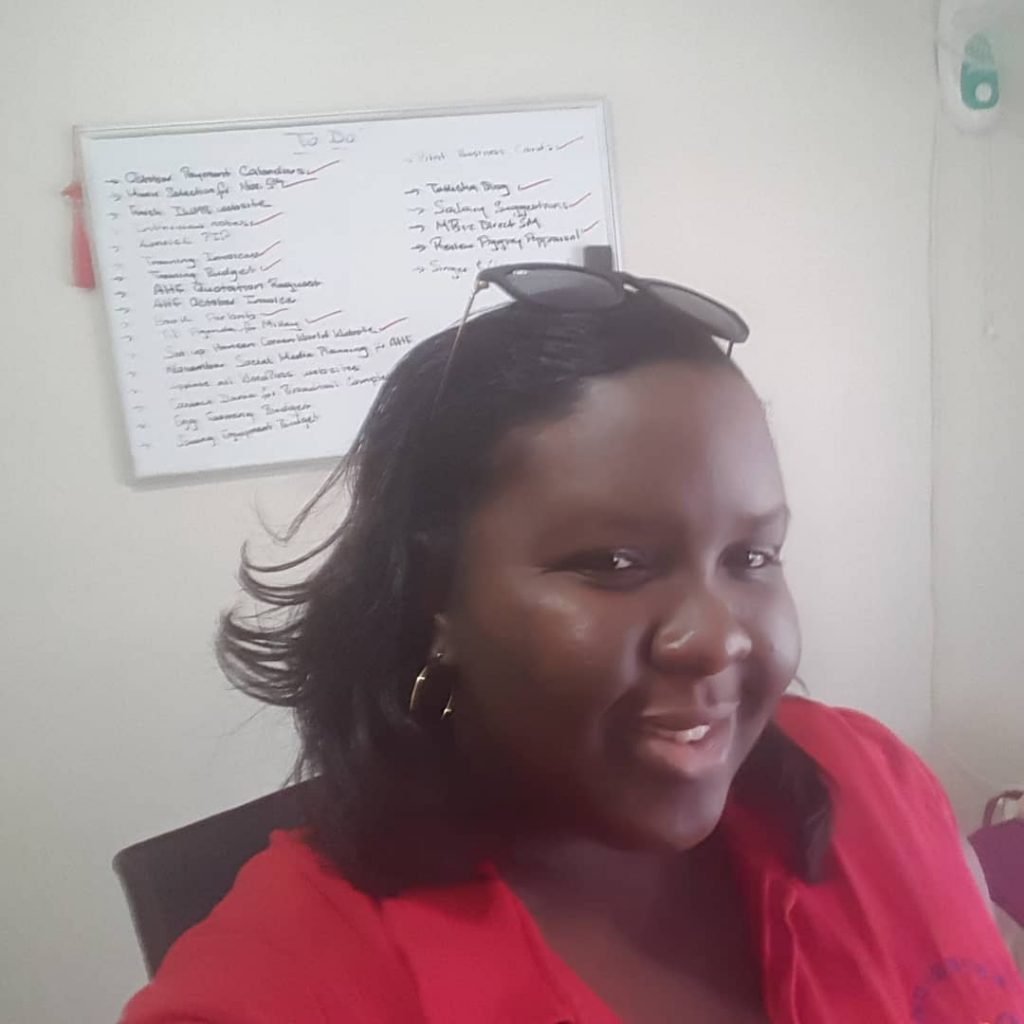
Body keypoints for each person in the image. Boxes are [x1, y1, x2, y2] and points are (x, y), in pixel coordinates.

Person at [121, 264, 1024, 1023]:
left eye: (751, 556)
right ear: (435, 598)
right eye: (615, 563)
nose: (717, 639)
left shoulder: (870, 777)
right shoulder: (281, 987)